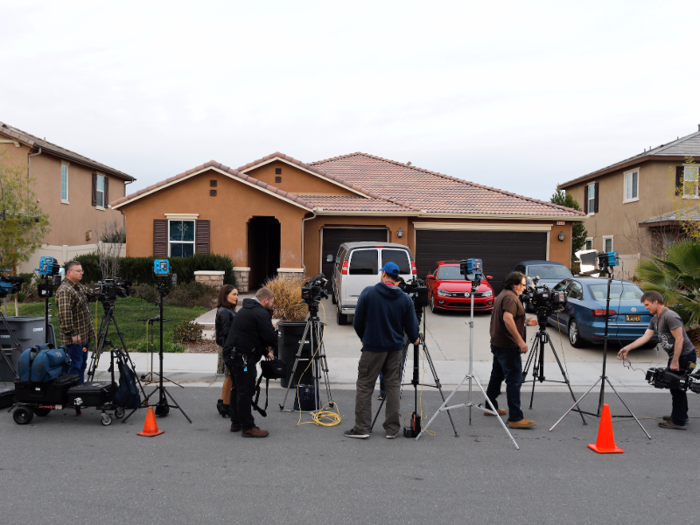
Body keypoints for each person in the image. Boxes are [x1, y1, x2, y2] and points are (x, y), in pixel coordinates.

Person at [344, 262, 420, 439]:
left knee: (365, 385)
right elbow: (412, 328)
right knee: (393, 385)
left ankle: (362, 428)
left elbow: (357, 321)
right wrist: (415, 337)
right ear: (396, 278)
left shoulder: (369, 293)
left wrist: (364, 338)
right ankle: (392, 429)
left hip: (372, 347)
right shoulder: (405, 299)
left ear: (384, 274)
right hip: (395, 348)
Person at [617, 291, 697, 430]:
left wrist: (675, 361)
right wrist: (627, 348)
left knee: (677, 387)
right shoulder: (655, 319)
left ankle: (678, 420)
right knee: (676, 386)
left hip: (685, 356)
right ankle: (680, 415)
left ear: (656, 302)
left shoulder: (670, 316)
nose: (646, 307)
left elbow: (680, 339)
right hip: (676, 356)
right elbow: (645, 337)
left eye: (647, 304)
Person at [485, 271, 538, 429]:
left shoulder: (503, 294)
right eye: (522, 284)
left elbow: (509, 319)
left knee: (497, 376)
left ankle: (490, 406)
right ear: (514, 285)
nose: (524, 287)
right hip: (508, 346)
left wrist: (524, 323)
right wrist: (520, 341)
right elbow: (507, 318)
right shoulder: (511, 298)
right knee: (514, 381)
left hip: (498, 343)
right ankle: (515, 417)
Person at [223, 287, 277, 438]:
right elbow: (269, 336)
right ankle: (248, 426)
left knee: (237, 388)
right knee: (245, 389)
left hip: (232, 355)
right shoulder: (260, 312)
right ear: (265, 300)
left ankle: (236, 421)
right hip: (243, 359)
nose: (272, 304)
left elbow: (251, 335)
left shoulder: (246, 310)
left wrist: (265, 352)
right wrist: (276, 341)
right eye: (272, 301)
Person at [55, 260, 97, 385]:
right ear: (69, 272)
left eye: (81, 271)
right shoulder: (65, 290)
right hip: (74, 339)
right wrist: (72, 333)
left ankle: (80, 391)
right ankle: (73, 395)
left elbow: (91, 294)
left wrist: (106, 290)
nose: (81, 273)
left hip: (83, 336)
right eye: (78, 271)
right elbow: (65, 314)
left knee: (82, 365)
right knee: (75, 367)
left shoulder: (78, 287)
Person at [215, 285, 238, 417]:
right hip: (227, 348)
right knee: (229, 376)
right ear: (225, 295)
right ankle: (225, 405)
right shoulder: (224, 311)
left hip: (227, 346)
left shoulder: (228, 309)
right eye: (234, 294)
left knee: (230, 376)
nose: (236, 297)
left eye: (237, 294)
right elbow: (227, 332)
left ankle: (224, 402)